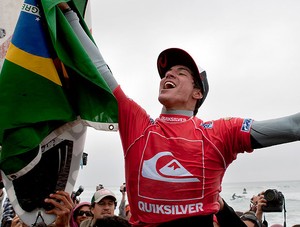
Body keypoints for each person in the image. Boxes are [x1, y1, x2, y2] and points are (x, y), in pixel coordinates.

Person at [58, 3, 300, 226]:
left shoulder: (222, 132)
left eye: (181, 72)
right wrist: (68, 14)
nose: (168, 76)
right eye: (166, 73)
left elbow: (292, 127)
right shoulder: (138, 124)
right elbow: (98, 68)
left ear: (197, 92)